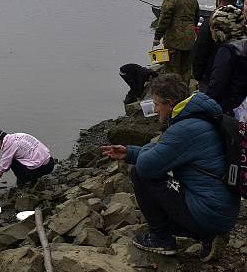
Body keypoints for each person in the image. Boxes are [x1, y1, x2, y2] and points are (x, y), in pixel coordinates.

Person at [101, 73, 239, 262]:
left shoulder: (185, 129)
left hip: (209, 212)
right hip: (220, 210)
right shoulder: (201, 116)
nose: (155, 110)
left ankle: (161, 238)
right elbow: (165, 152)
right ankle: (209, 236)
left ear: (171, 103)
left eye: (157, 104)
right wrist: (130, 153)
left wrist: (146, 151)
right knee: (153, 170)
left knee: (140, 174)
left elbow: (147, 166)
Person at [206, 5, 247, 115]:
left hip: (226, 106)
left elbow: (217, 82)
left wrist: (207, 102)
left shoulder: (226, 51)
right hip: (244, 104)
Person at [153, 0, 200, 83]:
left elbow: (164, 20)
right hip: (189, 39)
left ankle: (172, 94)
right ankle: (184, 92)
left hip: (174, 40)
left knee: (171, 68)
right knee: (186, 68)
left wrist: (157, 37)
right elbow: (196, 18)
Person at [192, 0, 238, 92]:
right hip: (233, 76)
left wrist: (197, 75)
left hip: (210, 76)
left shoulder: (210, 23)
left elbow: (200, 50)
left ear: (218, 0)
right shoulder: (241, 22)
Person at [0, 130, 54, 194]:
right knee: (19, 157)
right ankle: (32, 179)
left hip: (43, 168)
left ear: (0, 141)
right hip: (50, 162)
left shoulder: (9, 146)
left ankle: (24, 182)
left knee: (12, 162)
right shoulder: (20, 135)